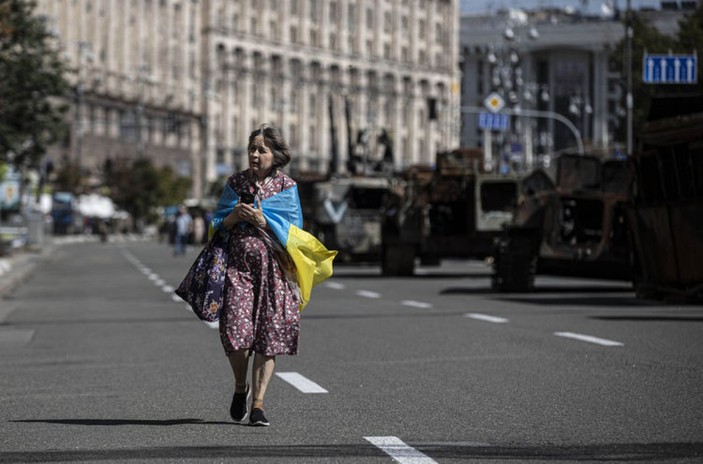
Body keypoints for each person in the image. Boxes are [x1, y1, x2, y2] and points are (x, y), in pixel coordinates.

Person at [209, 124, 304, 427]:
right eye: (252, 148)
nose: (254, 154)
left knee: (268, 336)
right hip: (239, 270)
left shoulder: (287, 187)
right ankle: (241, 387)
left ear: (276, 155)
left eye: (261, 149)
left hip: (275, 272)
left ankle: (259, 405)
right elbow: (216, 224)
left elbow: (295, 232)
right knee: (235, 334)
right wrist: (232, 218)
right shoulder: (235, 183)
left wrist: (265, 221)